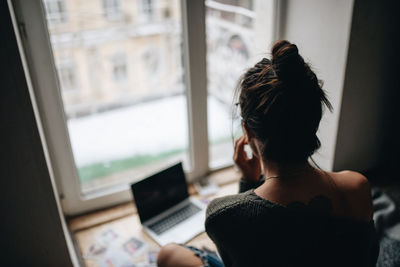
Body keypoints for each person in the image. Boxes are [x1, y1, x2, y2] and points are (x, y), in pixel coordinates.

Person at [157, 40, 379, 267]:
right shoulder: (356, 188)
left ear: (247, 131)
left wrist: (248, 182)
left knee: (168, 254)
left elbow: (242, 251)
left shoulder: (222, 215)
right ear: (314, 120)